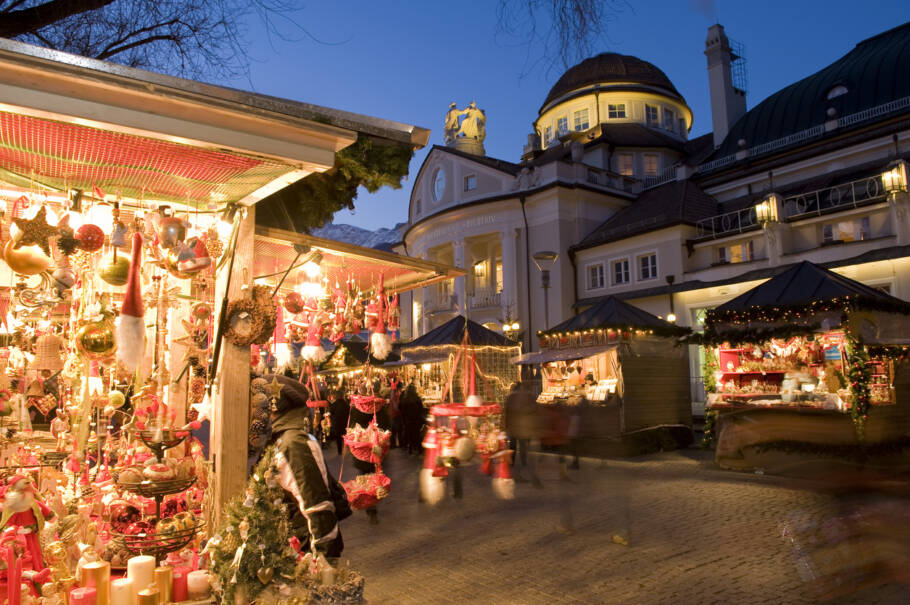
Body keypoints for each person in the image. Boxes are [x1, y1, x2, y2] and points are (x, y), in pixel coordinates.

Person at [267, 374, 345, 557]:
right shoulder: (281, 439)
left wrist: (323, 563)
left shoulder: (294, 444)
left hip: (303, 549)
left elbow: (318, 506)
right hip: (295, 544)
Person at [349, 384, 392, 525]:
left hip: (362, 453)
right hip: (375, 452)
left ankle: (370, 505)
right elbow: (387, 426)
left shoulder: (356, 411)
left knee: (367, 478)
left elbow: (351, 429)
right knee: (375, 476)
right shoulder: (380, 410)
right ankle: (372, 505)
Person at [504, 382, 541, 485]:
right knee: (524, 450)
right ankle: (520, 473)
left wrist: (506, 426)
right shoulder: (526, 396)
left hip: (513, 428)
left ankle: (512, 468)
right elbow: (533, 409)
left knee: (513, 448)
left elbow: (506, 412)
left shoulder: (510, 397)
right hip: (523, 429)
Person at [399, 382, 425, 455]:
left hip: (408, 421)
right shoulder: (417, 399)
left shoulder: (404, 400)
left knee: (409, 434)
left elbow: (401, 410)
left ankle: (410, 448)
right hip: (416, 420)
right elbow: (421, 409)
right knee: (417, 434)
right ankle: (419, 448)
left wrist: (404, 420)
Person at [327, 390, 349, 456]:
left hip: (337, 423)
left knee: (338, 438)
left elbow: (331, 413)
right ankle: (346, 448)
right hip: (344, 423)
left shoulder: (334, 405)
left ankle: (340, 451)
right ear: (343, 396)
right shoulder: (346, 404)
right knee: (345, 436)